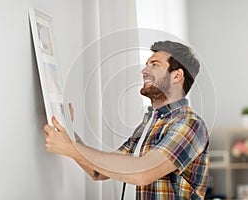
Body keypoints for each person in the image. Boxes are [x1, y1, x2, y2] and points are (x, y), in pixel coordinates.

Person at [44, 41, 209, 199]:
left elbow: (142, 174)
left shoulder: (189, 124)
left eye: (155, 65)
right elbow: (99, 171)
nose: (144, 70)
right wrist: (69, 134)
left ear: (176, 75)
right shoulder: (149, 124)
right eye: (147, 64)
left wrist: (71, 148)